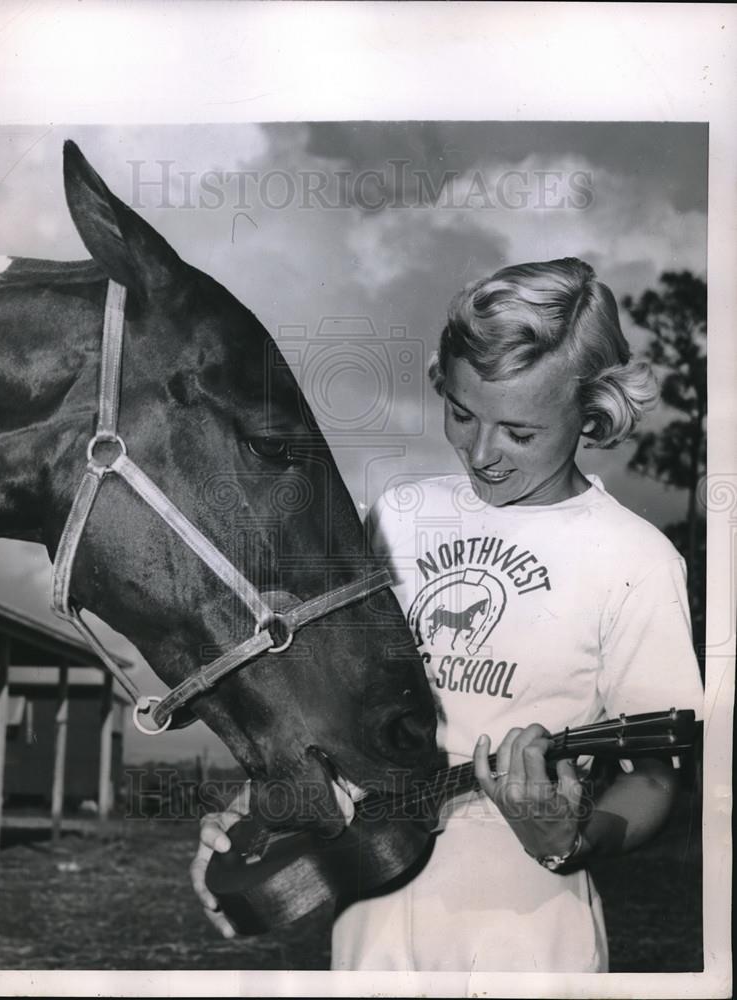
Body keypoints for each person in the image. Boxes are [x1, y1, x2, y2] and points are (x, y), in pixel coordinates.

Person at [190, 257, 704, 972]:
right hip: (370, 909)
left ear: (591, 412)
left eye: (520, 432)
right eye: (461, 414)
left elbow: (652, 777)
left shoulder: (635, 559)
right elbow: (329, 713)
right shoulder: (400, 515)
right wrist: (261, 813)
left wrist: (568, 839)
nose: (483, 453)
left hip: (526, 929)